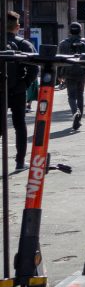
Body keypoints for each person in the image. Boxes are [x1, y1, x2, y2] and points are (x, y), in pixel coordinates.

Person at [5, 11, 38, 170]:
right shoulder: (23, 44)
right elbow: (34, 68)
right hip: (17, 90)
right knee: (20, 125)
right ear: (17, 27)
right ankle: (19, 161)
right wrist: (24, 84)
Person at [57, 22, 85, 131]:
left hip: (69, 72)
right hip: (83, 72)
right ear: (80, 31)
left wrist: (59, 74)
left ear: (69, 31)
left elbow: (60, 60)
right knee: (80, 95)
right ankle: (78, 119)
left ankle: (75, 112)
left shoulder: (63, 43)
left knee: (71, 96)